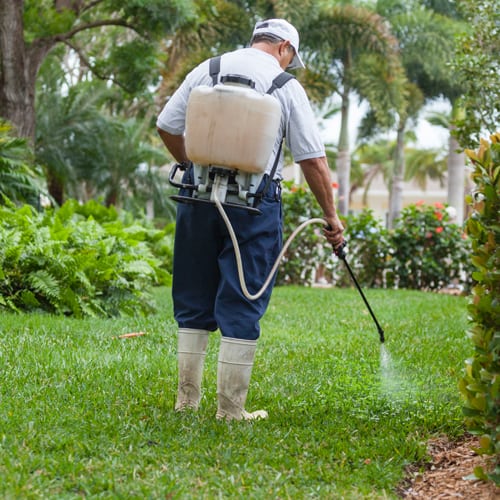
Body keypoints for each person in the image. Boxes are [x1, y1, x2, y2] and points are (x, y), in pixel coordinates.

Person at [156, 18, 345, 421]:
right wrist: (331, 216)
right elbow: (312, 159)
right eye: (291, 57)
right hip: (253, 205)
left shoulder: (207, 69)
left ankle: (186, 402)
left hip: (196, 196)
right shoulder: (285, 85)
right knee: (244, 295)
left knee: (192, 294)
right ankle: (230, 410)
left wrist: (191, 165)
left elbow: (167, 125)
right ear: (285, 48)